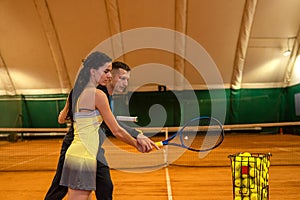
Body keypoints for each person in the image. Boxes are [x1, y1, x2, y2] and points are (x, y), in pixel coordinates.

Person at [45, 52, 157, 200]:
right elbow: (116, 130)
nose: (109, 75)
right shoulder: (98, 95)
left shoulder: (76, 92)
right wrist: (136, 144)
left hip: (77, 153)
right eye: (106, 71)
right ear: (93, 71)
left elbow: (61, 118)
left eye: (110, 71)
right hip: (83, 157)